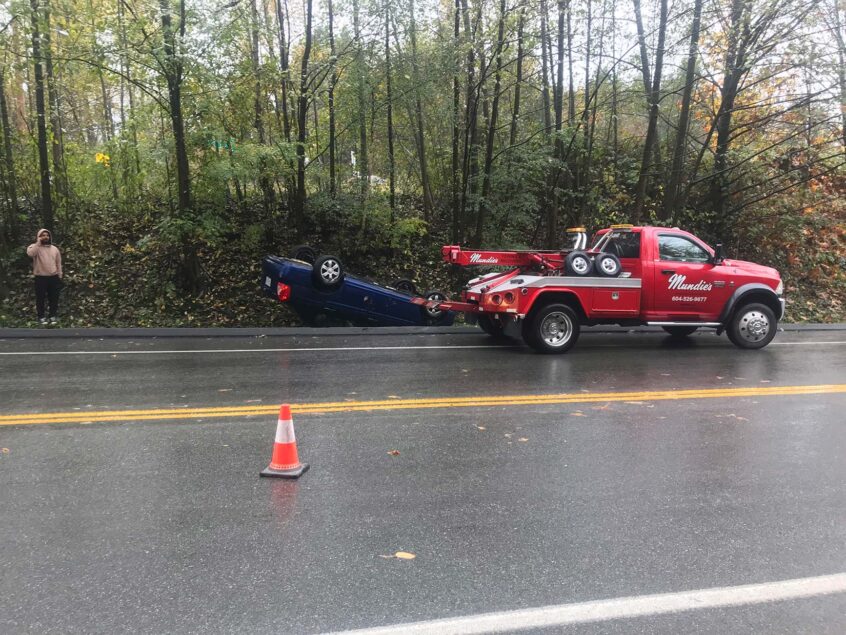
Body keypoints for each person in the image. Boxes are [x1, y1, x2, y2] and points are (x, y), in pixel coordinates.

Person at [26, 229, 63, 325]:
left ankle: (52, 316)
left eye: (47, 235)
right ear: (39, 237)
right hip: (40, 277)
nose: (45, 237)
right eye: (43, 235)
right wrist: (38, 243)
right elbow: (30, 254)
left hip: (53, 277)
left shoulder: (54, 249)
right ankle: (41, 317)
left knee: (54, 298)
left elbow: (58, 262)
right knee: (40, 298)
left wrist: (59, 274)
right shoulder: (34, 248)